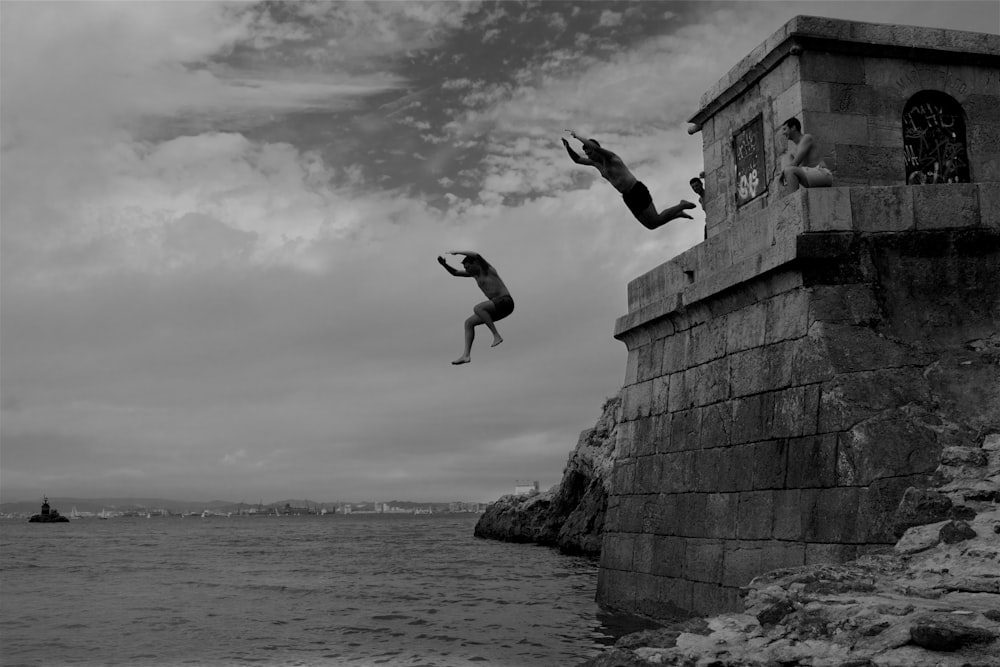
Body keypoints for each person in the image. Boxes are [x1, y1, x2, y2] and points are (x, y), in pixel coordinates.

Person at [561, 131, 696, 230]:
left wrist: (578, 137)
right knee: (651, 225)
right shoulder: (596, 164)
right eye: (587, 154)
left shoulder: (611, 158)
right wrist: (567, 147)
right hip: (627, 197)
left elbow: (595, 147)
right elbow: (577, 160)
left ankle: (681, 205)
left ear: (596, 150)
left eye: (590, 152)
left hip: (636, 189)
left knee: (656, 219)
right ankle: (676, 214)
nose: (589, 155)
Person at [437, 251, 514, 365]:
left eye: (468, 267)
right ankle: (466, 355)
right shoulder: (474, 275)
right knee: (468, 323)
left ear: (475, 264)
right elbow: (455, 273)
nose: (466, 270)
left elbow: (477, 255)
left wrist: (458, 252)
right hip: (498, 308)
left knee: (478, 308)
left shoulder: (487, 270)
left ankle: (496, 335)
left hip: (505, 301)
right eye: (465, 268)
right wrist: (444, 265)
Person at [777, 117, 832, 193]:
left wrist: (783, 173)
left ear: (793, 127)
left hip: (822, 173)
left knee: (789, 170)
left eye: (784, 129)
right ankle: (794, 200)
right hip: (809, 176)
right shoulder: (793, 151)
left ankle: (794, 202)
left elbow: (795, 163)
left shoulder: (806, 138)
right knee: (789, 173)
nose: (783, 133)